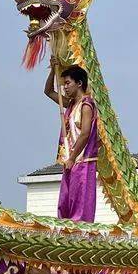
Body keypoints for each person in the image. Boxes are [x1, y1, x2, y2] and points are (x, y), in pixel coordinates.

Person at [44, 63, 99, 222]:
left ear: (79, 83)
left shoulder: (86, 104)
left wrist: (73, 158)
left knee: (80, 206)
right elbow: (48, 91)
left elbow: (85, 134)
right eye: (63, 84)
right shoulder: (70, 104)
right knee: (66, 202)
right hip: (71, 161)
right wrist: (54, 71)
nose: (65, 88)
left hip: (82, 161)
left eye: (68, 83)